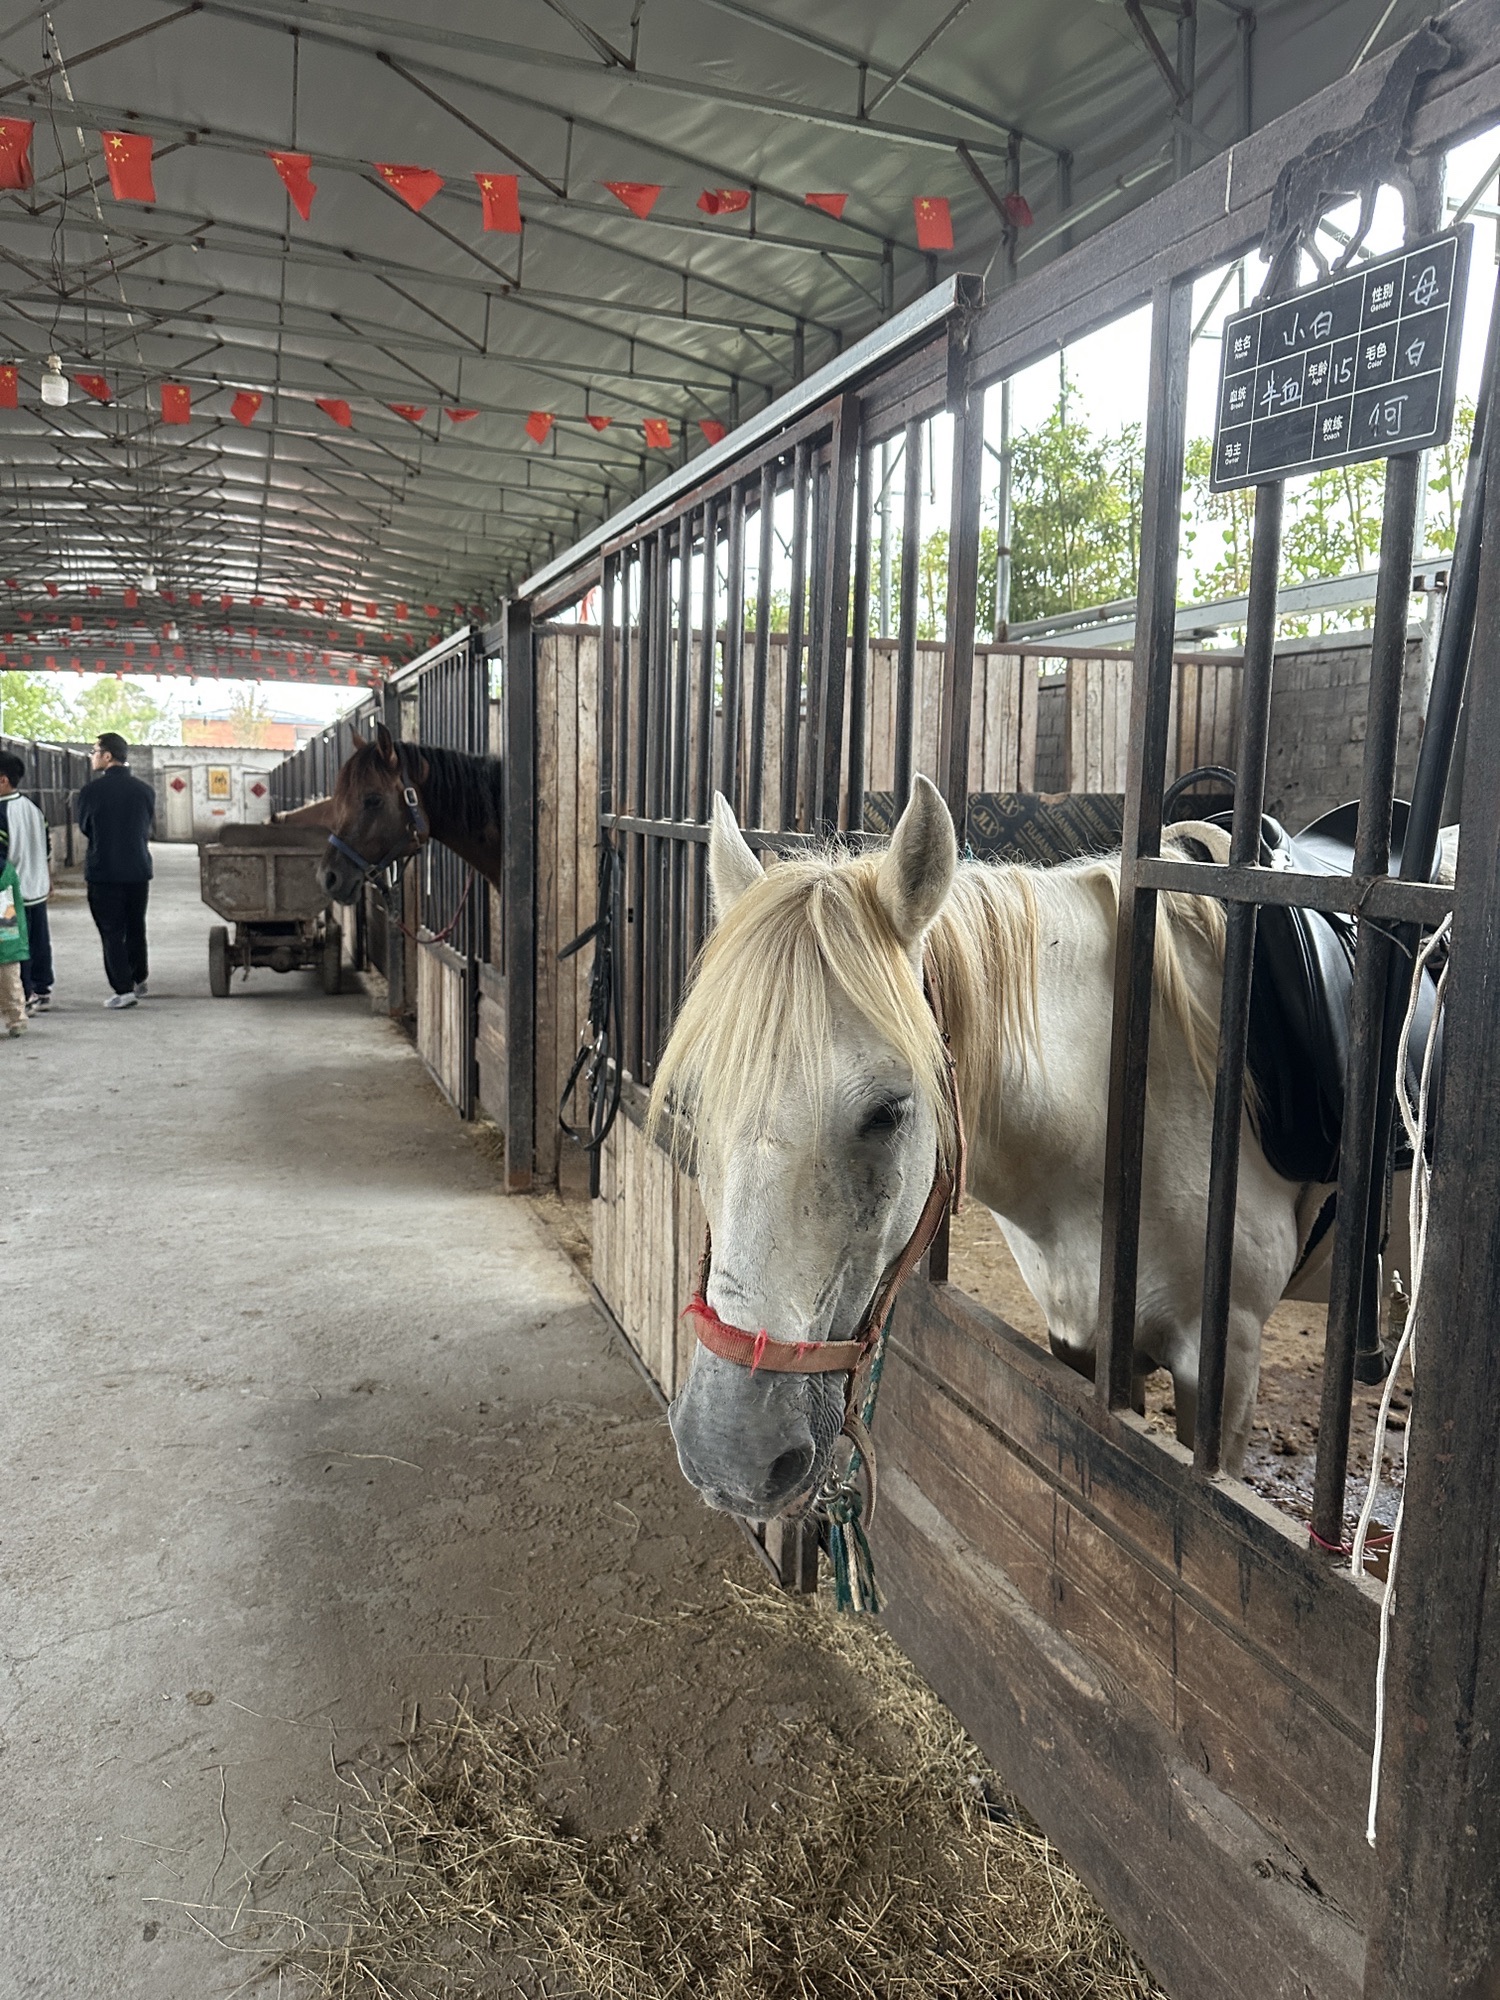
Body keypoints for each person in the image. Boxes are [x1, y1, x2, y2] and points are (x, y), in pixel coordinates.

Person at [75, 731, 156, 1010]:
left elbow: (86, 827)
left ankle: (123, 990)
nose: (92, 756)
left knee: (111, 931)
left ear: (107, 756)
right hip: (138, 869)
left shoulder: (90, 792)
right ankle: (138, 979)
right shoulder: (145, 790)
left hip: (104, 872)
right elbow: (146, 826)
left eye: (95, 751)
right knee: (135, 925)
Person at [0, 752, 53, 1012]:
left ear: (3, 780)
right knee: (39, 940)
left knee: (14, 946)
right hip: (37, 888)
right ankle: (42, 989)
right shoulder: (33, 808)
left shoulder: (1, 812)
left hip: (7, 897)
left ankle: (25, 994)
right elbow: (46, 847)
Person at [0, 844, 28, 1037]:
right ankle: (16, 1018)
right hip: (7, 929)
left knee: (8, 975)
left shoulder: (4, 872)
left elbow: (6, 915)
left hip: (6, 928)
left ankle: (16, 1018)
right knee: (9, 977)